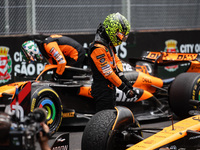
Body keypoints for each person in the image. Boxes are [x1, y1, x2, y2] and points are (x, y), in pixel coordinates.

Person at [89, 12, 137, 112]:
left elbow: (117, 61)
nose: (121, 39)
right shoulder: (97, 48)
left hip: (109, 90)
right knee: (105, 119)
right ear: (113, 30)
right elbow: (108, 73)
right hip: (102, 91)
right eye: (120, 35)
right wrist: (125, 89)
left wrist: (123, 78)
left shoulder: (108, 44)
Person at [21, 34, 86, 79]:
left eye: (32, 56)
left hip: (76, 53)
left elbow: (62, 62)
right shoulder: (45, 49)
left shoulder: (49, 46)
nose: (34, 59)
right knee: (58, 76)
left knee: (66, 77)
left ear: (33, 51)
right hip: (69, 54)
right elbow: (55, 65)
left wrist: (57, 75)